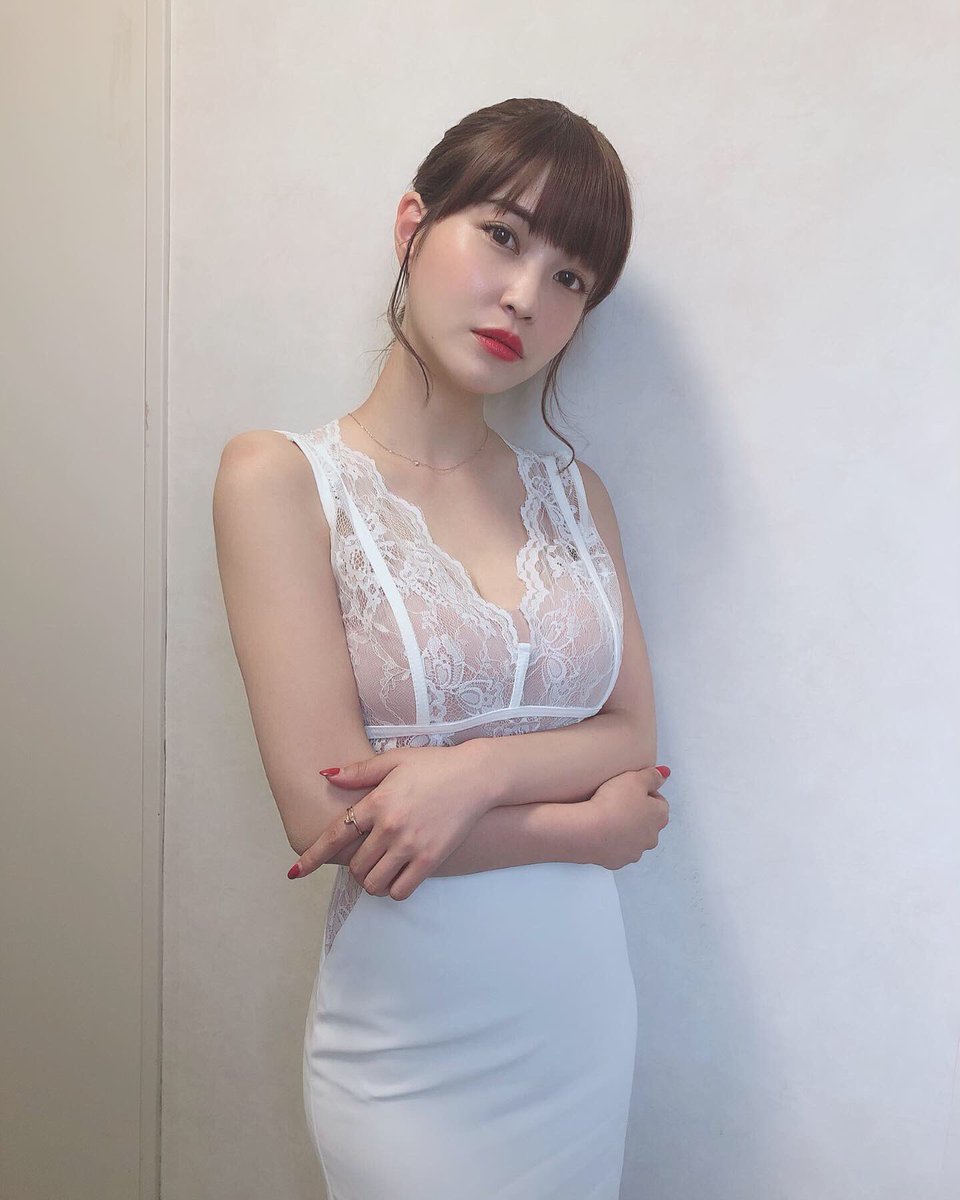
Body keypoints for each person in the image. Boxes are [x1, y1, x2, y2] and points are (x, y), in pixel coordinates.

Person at [214, 97, 670, 1199]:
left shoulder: (577, 496)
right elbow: (335, 822)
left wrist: (470, 774)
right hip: (409, 1053)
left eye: (571, 277)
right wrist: (589, 828)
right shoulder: (280, 480)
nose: (526, 296)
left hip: (580, 1023)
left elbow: (632, 734)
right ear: (413, 225)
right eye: (503, 236)